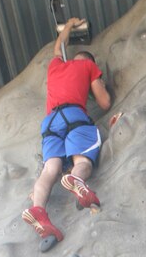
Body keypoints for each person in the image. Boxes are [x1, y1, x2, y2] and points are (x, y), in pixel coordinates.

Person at [22, 17, 111, 241]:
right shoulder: (88, 66)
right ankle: (76, 179)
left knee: (50, 169)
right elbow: (104, 103)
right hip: (74, 115)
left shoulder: (55, 66)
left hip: (50, 122)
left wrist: (69, 26)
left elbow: (57, 46)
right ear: (89, 61)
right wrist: (98, 86)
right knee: (82, 161)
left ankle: (38, 209)